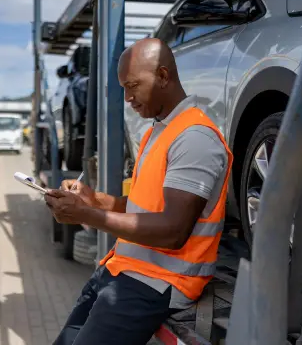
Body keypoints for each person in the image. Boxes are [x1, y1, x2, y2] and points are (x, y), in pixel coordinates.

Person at [44, 38, 234, 345]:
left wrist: (88, 215)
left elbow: (173, 230)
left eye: (133, 85)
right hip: (124, 270)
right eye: (124, 88)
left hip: (160, 282)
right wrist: (94, 200)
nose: (128, 97)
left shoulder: (195, 139)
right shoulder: (157, 132)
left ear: (162, 76)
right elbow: (140, 206)